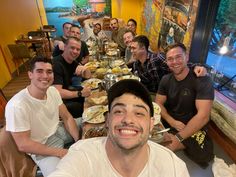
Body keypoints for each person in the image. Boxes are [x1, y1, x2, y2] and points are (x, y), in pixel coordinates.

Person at [48, 79, 190, 177]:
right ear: (108, 120)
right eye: (119, 111)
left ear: (152, 123)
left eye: (139, 113)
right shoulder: (82, 155)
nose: (128, 119)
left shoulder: (173, 168)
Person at [5, 56, 80, 177]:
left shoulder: (52, 91)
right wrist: (61, 152)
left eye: (49, 72)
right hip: (42, 148)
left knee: (94, 126)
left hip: (59, 130)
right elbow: (23, 144)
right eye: (39, 71)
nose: (45, 76)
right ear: (30, 74)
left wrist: (78, 142)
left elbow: (67, 117)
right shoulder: (17, 105)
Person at [155, 43, 214, 168]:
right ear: (166, 61)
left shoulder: (203, 80)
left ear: (186, 57)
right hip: (170, 123)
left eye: (178, 57)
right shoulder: (165, 79)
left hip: (193, 125)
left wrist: (178, 138)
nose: (174, 62)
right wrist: (171, 121)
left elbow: (203, 117)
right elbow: (158, 103)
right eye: (170, 59)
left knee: (204, 155)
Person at [131, 35, 207, 93]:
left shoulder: (156, 59)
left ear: (143, 48)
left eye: (134, 48)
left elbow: (177, 64)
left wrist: (196, 67)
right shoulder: (136, 64)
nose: (131, 51)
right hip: (150, 93)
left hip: (166, 94)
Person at [53, 37, 91, 118]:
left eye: (78, 49)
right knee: (84, 107)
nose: (75, 51)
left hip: (67, 91)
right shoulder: (56, 64)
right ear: (65, 47)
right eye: (72, 48)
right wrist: (79, 93)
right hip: (56, 102)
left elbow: (88, 76)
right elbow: (57, 92)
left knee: (89, 97)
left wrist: (84, 68)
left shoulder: (72, 60)